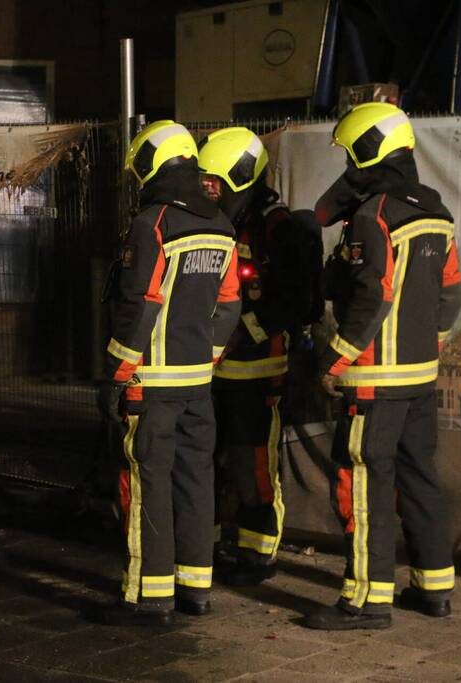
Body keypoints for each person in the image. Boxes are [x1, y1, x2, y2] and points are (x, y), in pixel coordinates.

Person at [305, 103, 461, 630]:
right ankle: (434, 589)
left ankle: (366, 602)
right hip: (419, 378)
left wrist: (335, 358)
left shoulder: (374, 216)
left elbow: (373, 295)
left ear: (369, 151)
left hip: (374, 381)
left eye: (352, 155)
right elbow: (453, 290)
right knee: (420, 477)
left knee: (363, 483)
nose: (348, 165)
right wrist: (431, 342)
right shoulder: (436, 211)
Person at [97, 120, 241, 626]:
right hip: (198, 385)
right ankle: (195, 589)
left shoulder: (153, 223)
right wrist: (209, 358)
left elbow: (141, 304)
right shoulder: (221, 225)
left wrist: (117, 373)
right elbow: (229, 305)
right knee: (196, 481)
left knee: (149, 485)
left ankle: (148, 598)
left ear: (153, 163)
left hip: (151, 384)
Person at [197, 127, 317, 586]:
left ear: (242, 176)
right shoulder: (208, 220)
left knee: (253, 463)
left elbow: (295, 300)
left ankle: (257, 554)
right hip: (207, 370)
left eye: (216, 181)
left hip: (256, 370)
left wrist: (240, 332)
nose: (209, 189)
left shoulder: (276, 227)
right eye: (205, 181)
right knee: (203, 460)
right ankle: (202, 548)